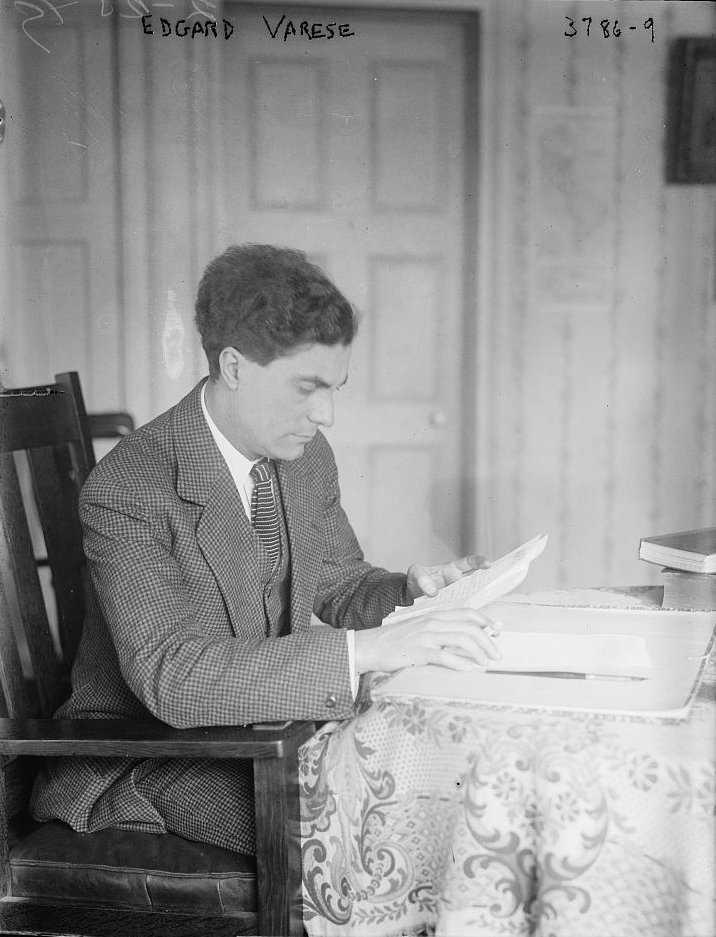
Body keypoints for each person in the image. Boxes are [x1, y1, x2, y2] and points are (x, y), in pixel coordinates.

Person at [31, 244, 499, 854]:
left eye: (335, 388)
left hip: (263, 731)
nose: (326, 414)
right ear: (234, 366)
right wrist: (364, 650)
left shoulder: (302, 457)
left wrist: (414, 591)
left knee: (443, 786)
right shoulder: (129, 486)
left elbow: (339, 582)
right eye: (307, 387)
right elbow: (171, 676)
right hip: (150, 754)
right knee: (376, 831)